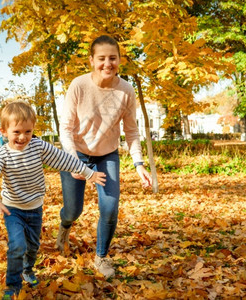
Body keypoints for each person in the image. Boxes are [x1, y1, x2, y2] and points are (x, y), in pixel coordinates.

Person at [0, 101, 106, 298]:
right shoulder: (2, 155)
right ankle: (12, 284)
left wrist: (88, 172)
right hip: (12, 208)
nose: (23, 137)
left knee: (32, 246)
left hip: (35, 207)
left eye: (28, 131)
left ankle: (27, 270)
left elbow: (64, 159)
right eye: (17, 132)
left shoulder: (38, 146)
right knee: (17, 246)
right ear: (4, 131)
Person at [56, 35, 153, 279]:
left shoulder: (126, 90)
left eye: (113, 58)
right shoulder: (79, 86)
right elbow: (65, 127)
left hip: (106, 155)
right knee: (73, 210)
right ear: (91, 60)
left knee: (110, 208)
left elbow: (131, 131)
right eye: (101, 58)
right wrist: (72, 160)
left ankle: (101, 256)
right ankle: (65, 225)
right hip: (75, 153)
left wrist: (139, 164)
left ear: (119, 60)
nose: (107, 63)